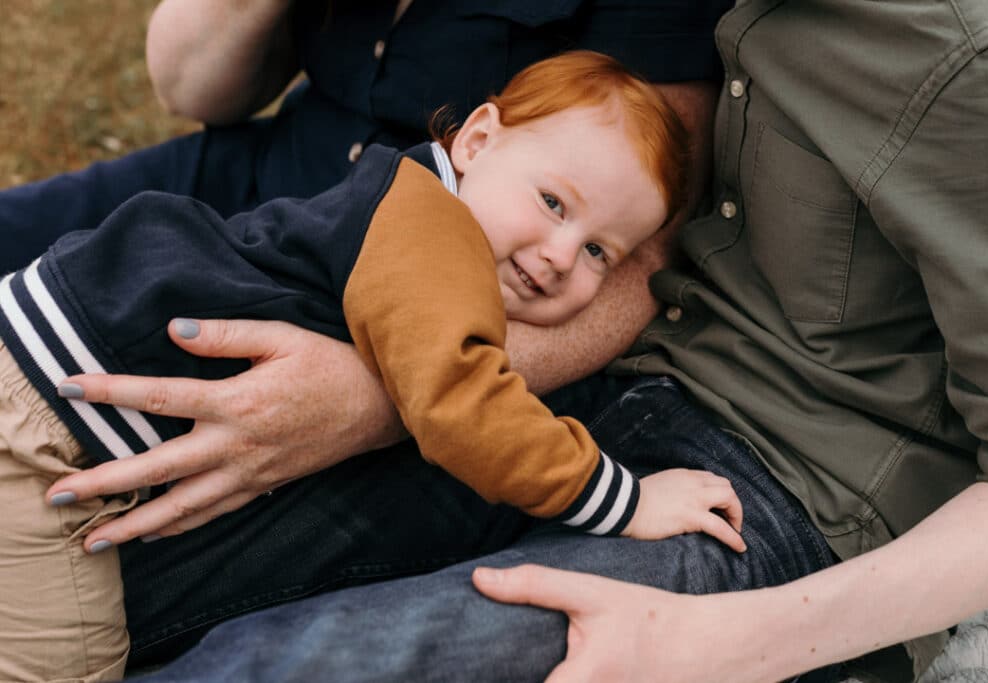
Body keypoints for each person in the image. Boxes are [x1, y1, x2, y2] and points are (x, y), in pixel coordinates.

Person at [55, 0, 988, 681]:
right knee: (116, 580)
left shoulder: (976, 61)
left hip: (778, 486)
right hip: (598, 394)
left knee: (280, 667)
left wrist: (736, 643)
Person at [0, 51, 750, 682]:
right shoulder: (432, 235)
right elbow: (466, 406)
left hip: (51, 381)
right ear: (479, 140)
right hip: (42, 429)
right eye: (555, 202)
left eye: (599, 252)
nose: (560, 256)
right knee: (69, 662)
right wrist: (625, 501)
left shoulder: (404, 195)